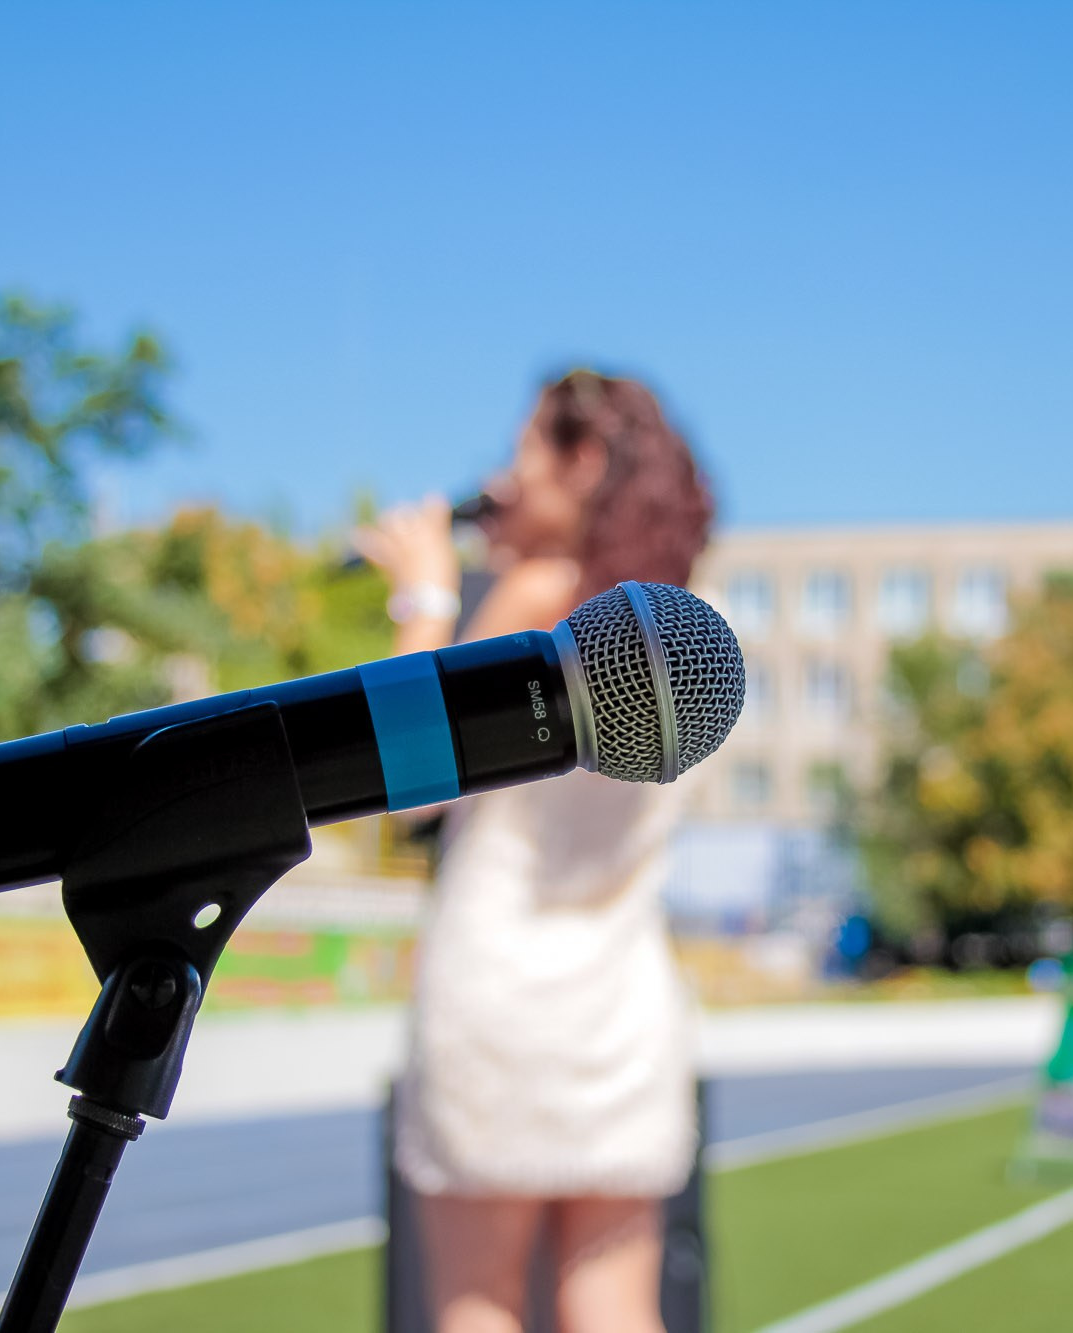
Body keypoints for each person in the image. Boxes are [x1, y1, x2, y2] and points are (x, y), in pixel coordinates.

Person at [355, 369, 713, 1333]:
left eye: (523, 454)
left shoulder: (537, 596)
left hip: (498, 985)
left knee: (477, 1306)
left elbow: (408, 777)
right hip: (622, 993)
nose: (504, 479)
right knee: (616, 1307)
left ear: (582, 460)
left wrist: (425, 590)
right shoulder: (674, 615)